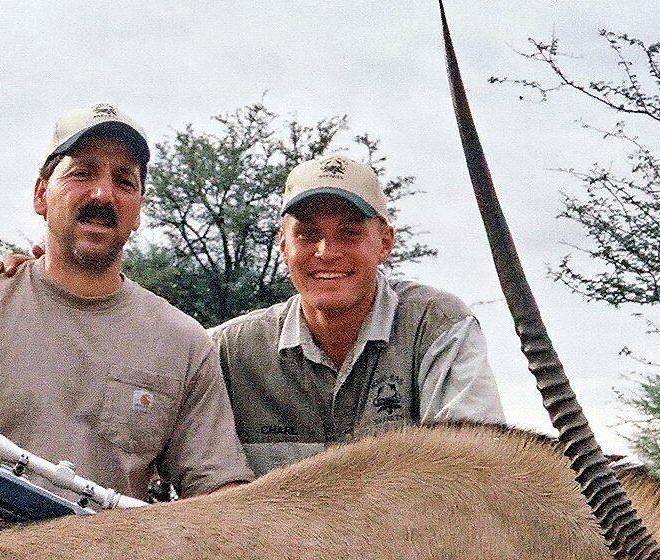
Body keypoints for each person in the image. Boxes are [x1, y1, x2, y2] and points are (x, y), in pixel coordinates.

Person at [0, 104, 254, 533]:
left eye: (124, 181)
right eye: (82, 173)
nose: (103, 194)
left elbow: (218, 496)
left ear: (138, 210)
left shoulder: (184, 342)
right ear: (41, 194)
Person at [210, 153, 503, 474]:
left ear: (385, 242)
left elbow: (476, 472)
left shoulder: (438, 324)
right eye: (308, 234)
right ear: (283, 246)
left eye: (349, 233)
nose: (327, 252)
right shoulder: (226, 348)